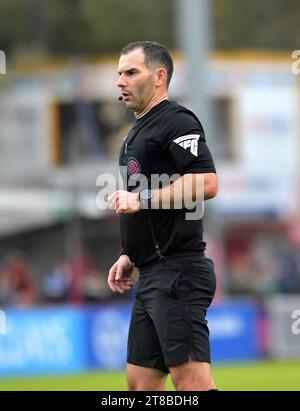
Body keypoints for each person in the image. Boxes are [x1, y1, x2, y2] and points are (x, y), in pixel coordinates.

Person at [107, 41, 218, 391]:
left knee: (192, 384)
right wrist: (130, 253)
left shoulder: (176, 120)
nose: (121, 81)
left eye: (131, 72)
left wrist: (143, 198)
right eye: (119, 73)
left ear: (159, 76)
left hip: (178, 272)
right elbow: (150, 209)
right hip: (151, 272)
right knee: (140, 382)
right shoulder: (135, 134)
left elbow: (207, 182)